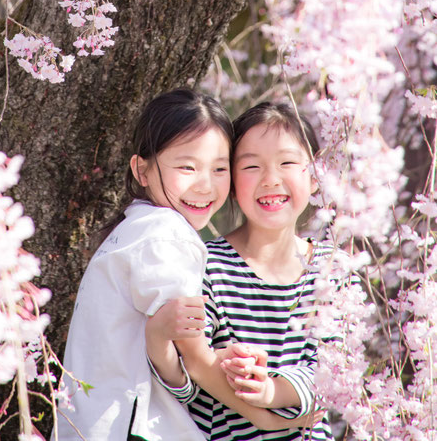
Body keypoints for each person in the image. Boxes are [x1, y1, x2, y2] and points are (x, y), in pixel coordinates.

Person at [56, 90, 308, 441]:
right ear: (141, 170)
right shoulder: (166, 235)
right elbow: (193, 356)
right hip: (128, 425)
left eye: (219, 169)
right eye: (187, 167)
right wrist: (264, 418)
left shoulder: (136, 228)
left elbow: (182, 358)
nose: (205, 185)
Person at [146, 101, 339, 441]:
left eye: (287, 163)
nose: (271, 179)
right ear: (232, 182)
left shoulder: (333, 268)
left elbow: (337, 374)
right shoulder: (205, 265)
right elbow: (186, 385)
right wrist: (227, 370)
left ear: (315, 176)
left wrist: (271, 391)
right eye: (251, 166)